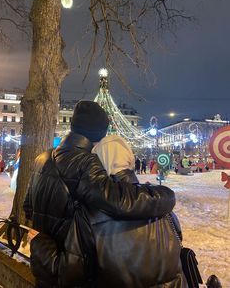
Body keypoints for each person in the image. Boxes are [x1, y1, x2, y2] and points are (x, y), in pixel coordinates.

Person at [24, 101, 176, 288]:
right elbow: (119, 201)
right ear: (100, 134)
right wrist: (165, 196)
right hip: (69, 272)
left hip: (44, 267)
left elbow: (28, 207)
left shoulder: (41, 158)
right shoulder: (85, 162)